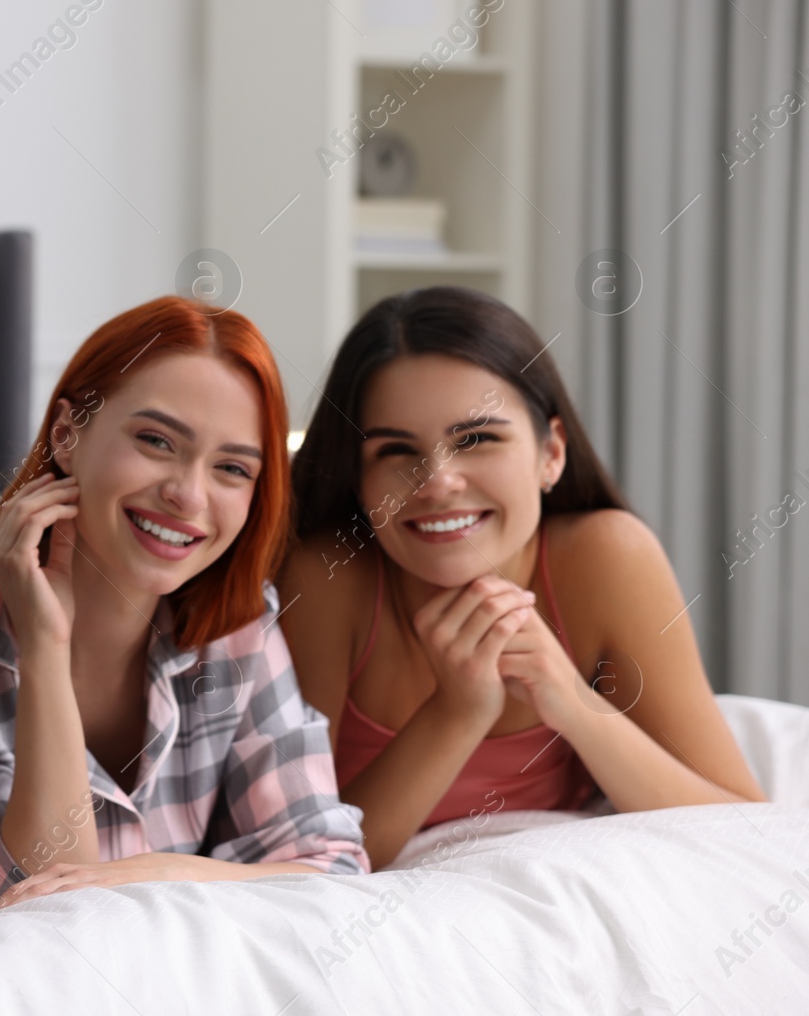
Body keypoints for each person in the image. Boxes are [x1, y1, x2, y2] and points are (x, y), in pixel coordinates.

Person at [0, 295, 368, 923]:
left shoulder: (239, 626)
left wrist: (154, 873)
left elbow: (331, 865)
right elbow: (24, 914)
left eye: (232, 468)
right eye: (156, 440)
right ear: (68, 435)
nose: (187, 494)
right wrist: (44, 649)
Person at [278, 286, 767, 868]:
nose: (437, 483)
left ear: (551, 453)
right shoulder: (328, 577)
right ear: (357, 477)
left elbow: (739, 825)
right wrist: (456, 712)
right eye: (394, 450)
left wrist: (569, 700)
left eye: (477, 439)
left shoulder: (607, 558)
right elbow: (302, 860)